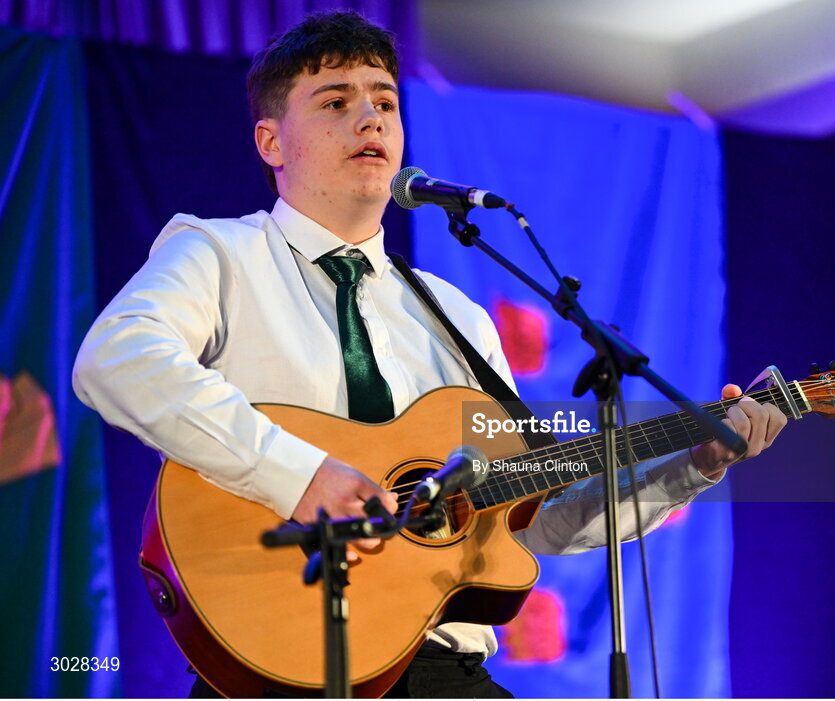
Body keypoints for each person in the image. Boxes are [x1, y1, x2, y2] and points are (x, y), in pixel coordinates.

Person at [72, 11, 787, 699]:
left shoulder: (459, 318)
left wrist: (691, 465)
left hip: (448, 677)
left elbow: (536, 518)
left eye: (385, 100)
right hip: (278, 665)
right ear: (271, 142)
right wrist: (299, 474)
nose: (370, 118)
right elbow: (116, 358)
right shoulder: (218, 253)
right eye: (335, 101)